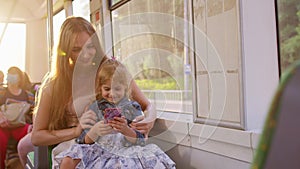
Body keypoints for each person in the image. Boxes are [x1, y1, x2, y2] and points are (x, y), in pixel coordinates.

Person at [31, 16, 156, 165]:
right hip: (79, 143)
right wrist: (76, 131)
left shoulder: (112, 70)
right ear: (65, 51)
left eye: (90, 46)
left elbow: (146, 105)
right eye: (76, 49)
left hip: (116, 139)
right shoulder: (54, 85)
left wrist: (150, 119)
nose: (86, 54)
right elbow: (37, 137)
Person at [55, 59, 175, 169]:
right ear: (100, 88)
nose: (112, 94)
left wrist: (125, 129)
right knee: (68, 160)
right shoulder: (95, 107)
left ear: (126, 88)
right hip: (100, 150)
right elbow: (84, 140)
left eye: (117, 89)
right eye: (107, 89)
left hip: (125, 149)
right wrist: (95, 131)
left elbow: (140, 140)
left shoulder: (132, 107)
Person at [0, 66, 35, 169]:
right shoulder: (2, 92)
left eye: (13, 75)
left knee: (32, 136)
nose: (11, 78)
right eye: (9, 75)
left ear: (19, 77)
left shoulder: (28, 95)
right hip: (3, 126)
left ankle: (29, 165)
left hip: (20, 126)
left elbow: (33, 112)